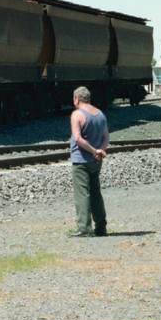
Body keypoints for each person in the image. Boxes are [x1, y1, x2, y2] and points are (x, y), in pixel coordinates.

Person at [68, 85, 109, 237]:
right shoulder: (100, 114)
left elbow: (77, 138)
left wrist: (93, 151)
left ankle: (84, 228)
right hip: (96, 161)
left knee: (82, 194)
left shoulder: (77, 115)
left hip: (81, 160)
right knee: (95, 192)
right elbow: (106, 137)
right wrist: (100, 151)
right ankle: (101, 226)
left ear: (76, 99)